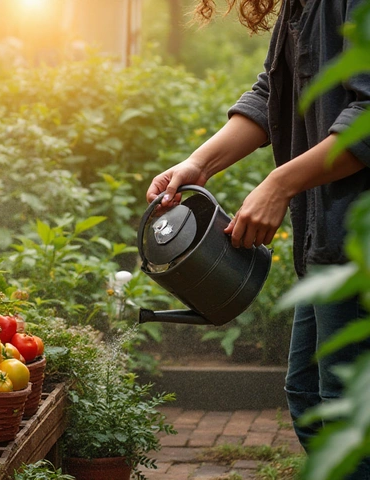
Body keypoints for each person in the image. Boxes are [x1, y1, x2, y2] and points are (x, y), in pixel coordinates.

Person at [146, 0, 370, 476]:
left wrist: (279, 184)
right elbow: (273, 90)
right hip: (326, 242)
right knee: (310, 399)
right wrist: (198, 165)